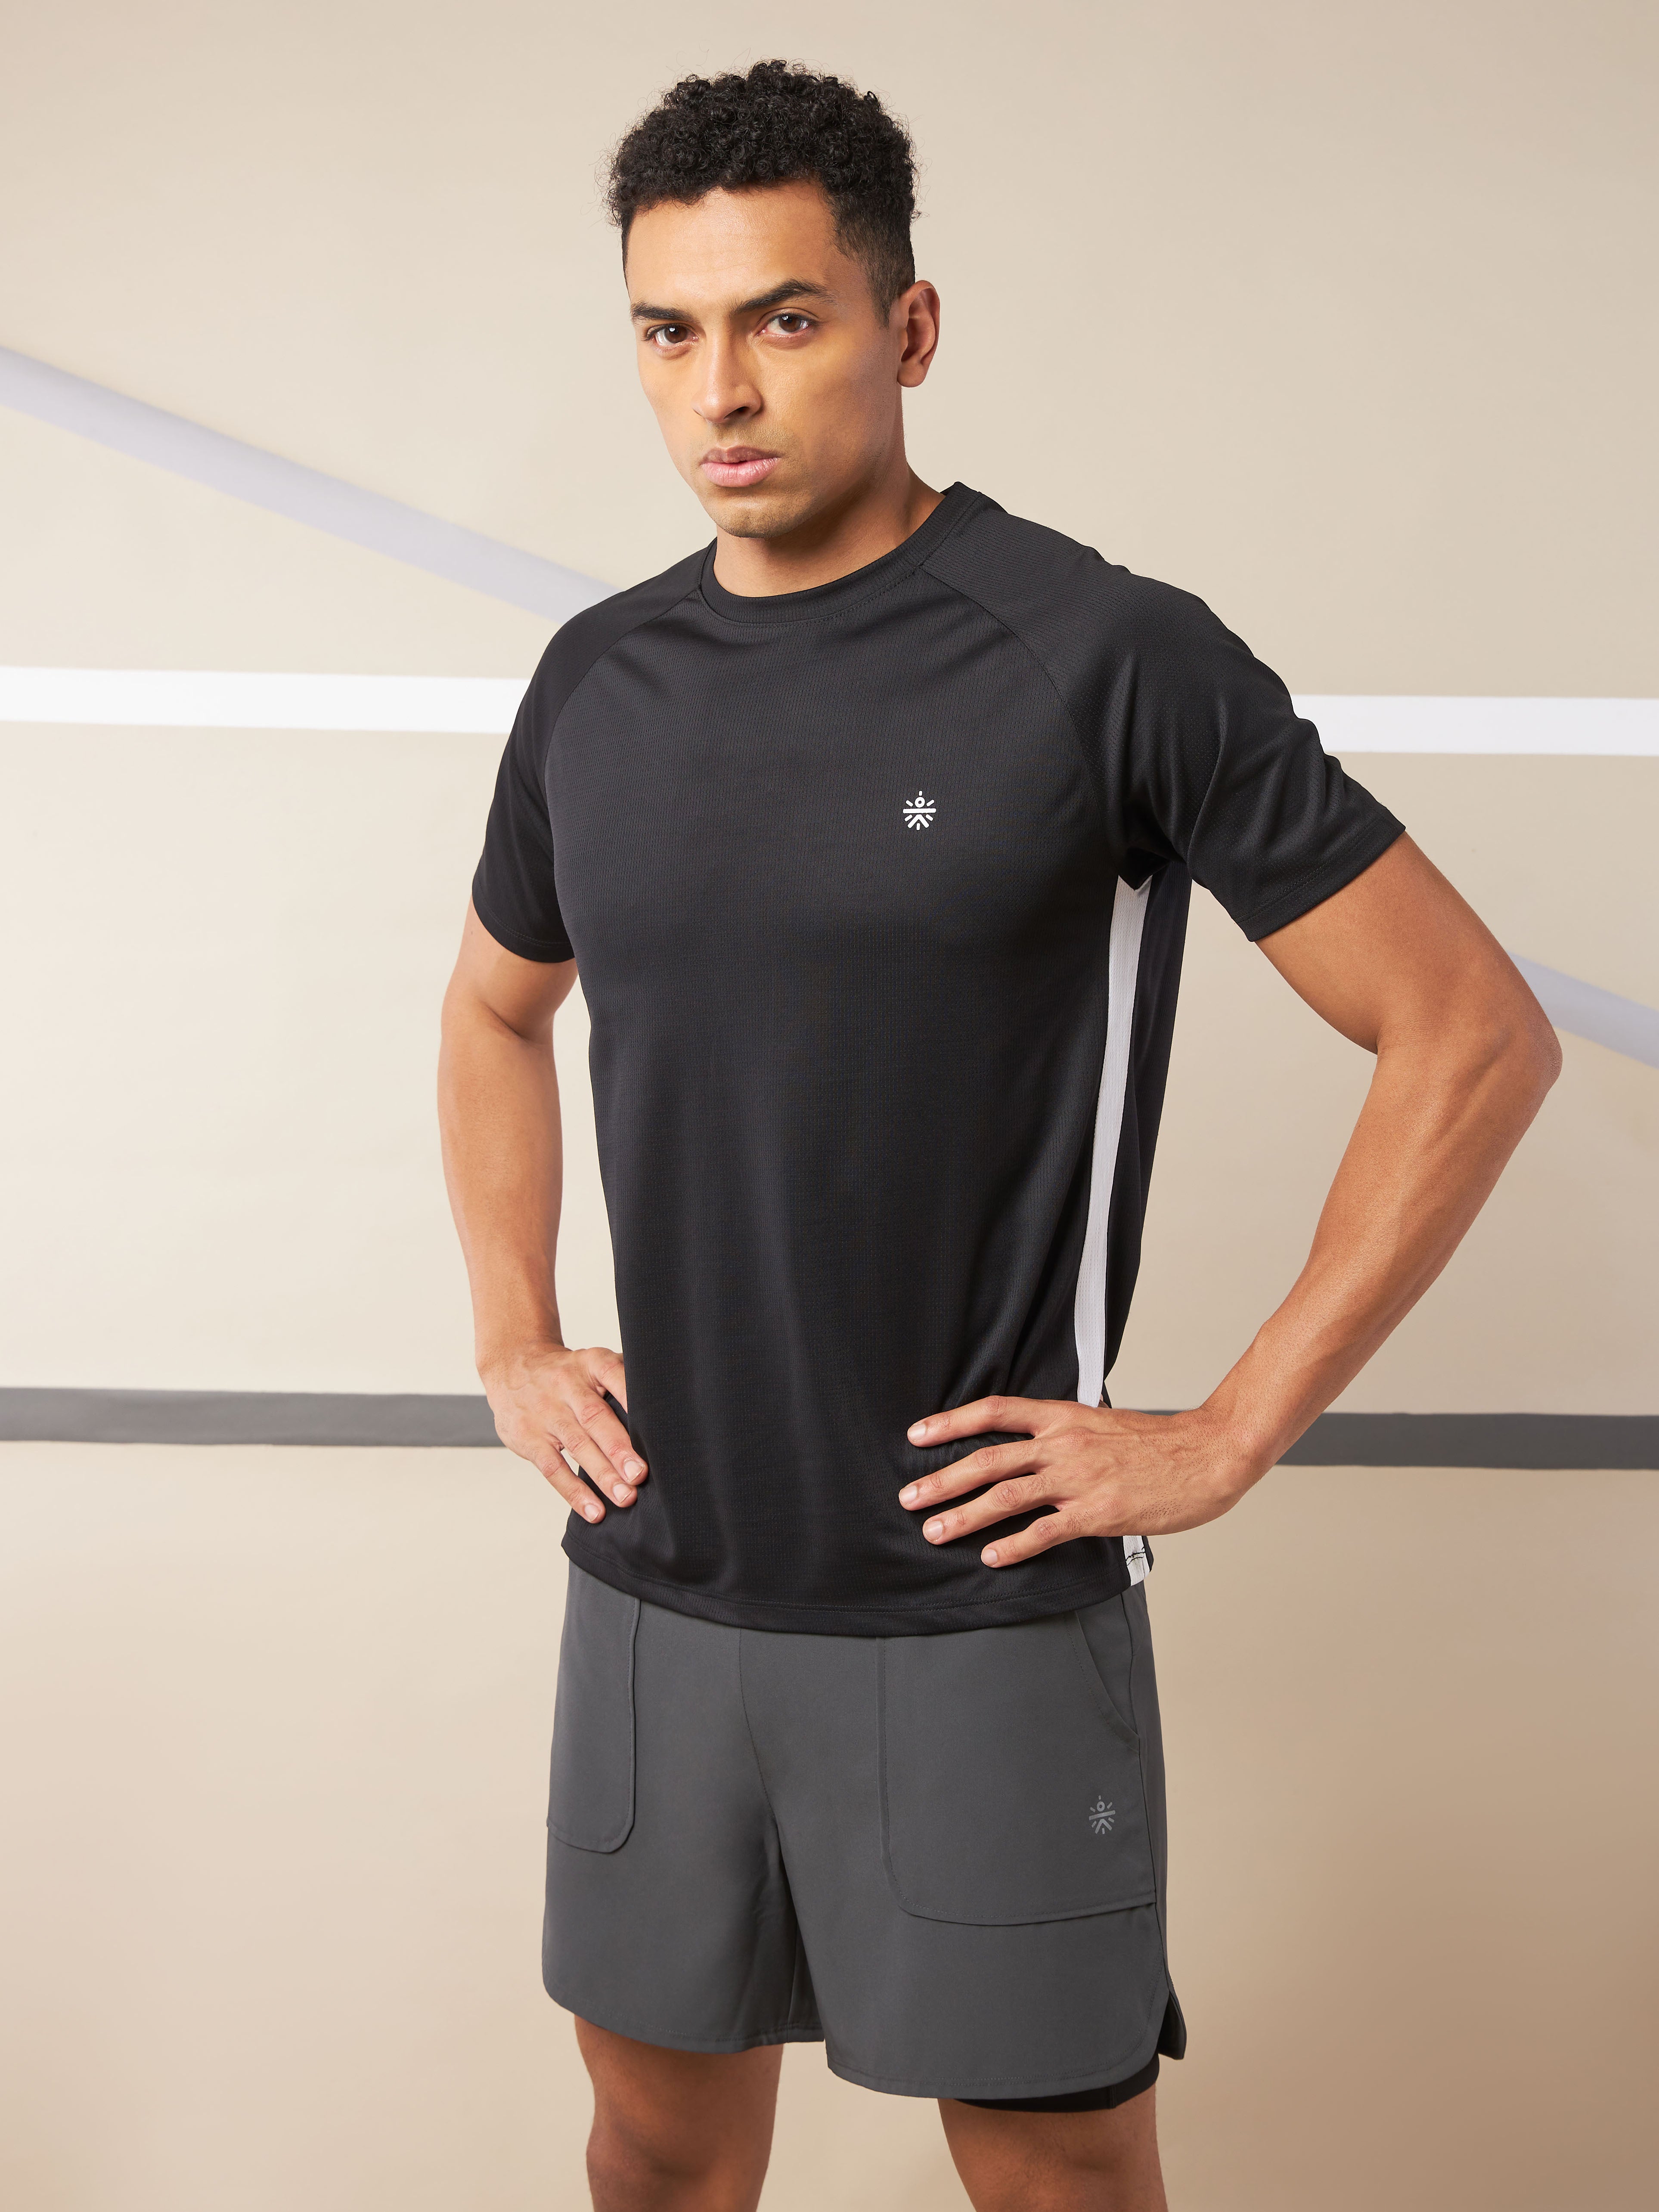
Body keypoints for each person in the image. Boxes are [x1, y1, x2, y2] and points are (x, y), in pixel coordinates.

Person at [437, 60, 1559, 2212]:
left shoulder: (1104, 656)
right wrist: (513, 1328)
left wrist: (1223, 1432)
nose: (718, 390)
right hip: (659, 1587)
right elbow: (495, 1009)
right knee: (653, 2149)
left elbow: (1469, 1032)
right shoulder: (596, 679)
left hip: (977, 1606)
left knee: (1055, 2173)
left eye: (783, 318)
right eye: (668, 331)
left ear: (909, 325)